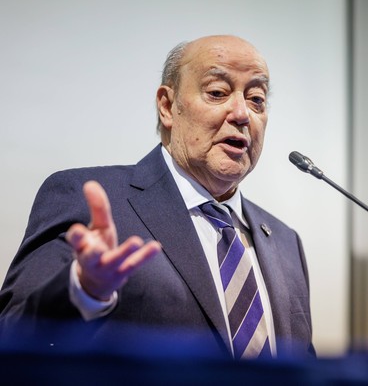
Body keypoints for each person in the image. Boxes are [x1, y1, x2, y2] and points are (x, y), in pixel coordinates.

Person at [0, 35, 314, 359]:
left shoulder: (286, 242)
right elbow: (12, 333)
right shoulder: (87, 199)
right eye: (218, 92)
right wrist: (83, 290)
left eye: (257, 99)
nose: (241, 113)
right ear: (167, 106)